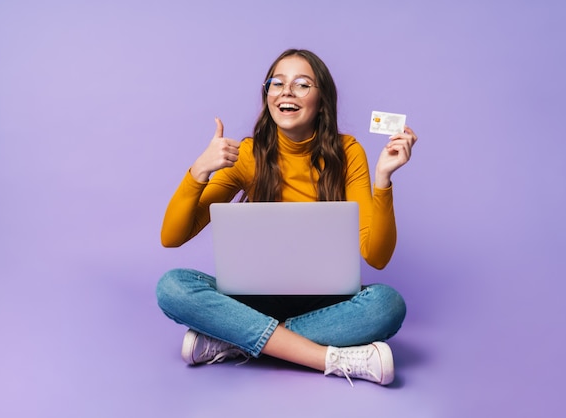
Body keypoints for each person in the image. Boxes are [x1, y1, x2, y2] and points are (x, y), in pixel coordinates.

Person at [156, 49, 418, 386]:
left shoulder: (348, 151)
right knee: (172, 286)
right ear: (267, 96)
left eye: (301, 84)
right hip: (253, 300)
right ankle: (330, 358)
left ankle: (233, 340)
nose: (286, 92)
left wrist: (383, 180)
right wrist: (198, 171)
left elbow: (377, 256)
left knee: (387, 305)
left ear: (322, 101)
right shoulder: (247, 155)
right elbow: (171, 236)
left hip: (323, 304)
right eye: (276, 83)